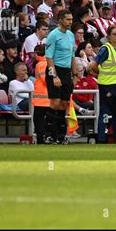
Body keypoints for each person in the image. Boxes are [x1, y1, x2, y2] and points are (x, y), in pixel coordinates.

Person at [88, 25, 116, 144]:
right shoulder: (106, 49)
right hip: (107, 84)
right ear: (108, 36)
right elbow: (93, 64)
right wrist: (99, 73)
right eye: (114, 34)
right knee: (105, 112)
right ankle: (101, 138)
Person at [45, 10, 76, 145]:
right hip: (55, 69)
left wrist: (74, 75)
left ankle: (61, 135)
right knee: (55, 103)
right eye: (68, 19)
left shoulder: (70, 35)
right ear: (61, 20)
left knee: (64, 104)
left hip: (66, 71)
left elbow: (72, 56)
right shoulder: (53, 35)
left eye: (71, 19)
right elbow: (49, 57)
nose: (70, 22)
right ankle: (49, 134)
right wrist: (54, 76)